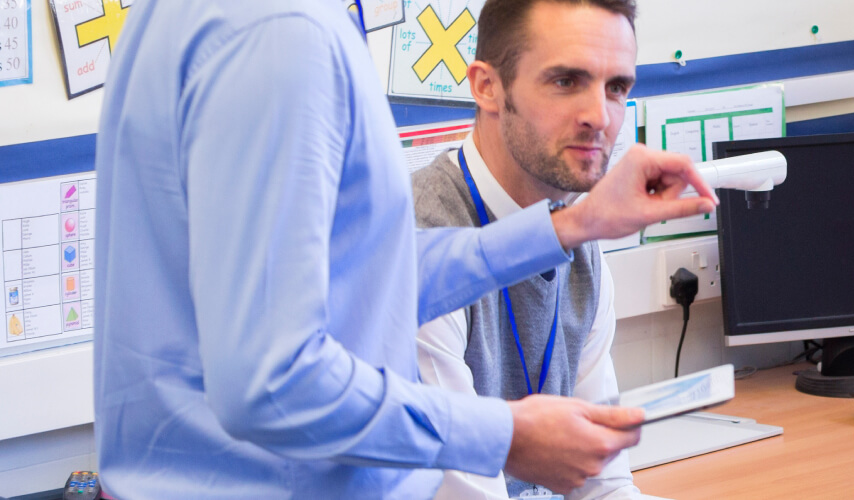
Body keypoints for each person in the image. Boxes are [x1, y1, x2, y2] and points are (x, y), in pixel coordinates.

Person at [92, 1, 715, 497]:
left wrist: (565, 230)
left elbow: (360, 276)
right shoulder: (281, 35)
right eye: (566, 79)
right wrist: (502, 435)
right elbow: (270, 382)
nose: (598, 115)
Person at [405, 0, 662, 498]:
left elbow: (603, 482)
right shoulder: (422, 239)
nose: (599, 116)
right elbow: (462, 491)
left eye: (616, 88)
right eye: (566, 81)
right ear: (487, 87)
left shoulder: (578, 233)